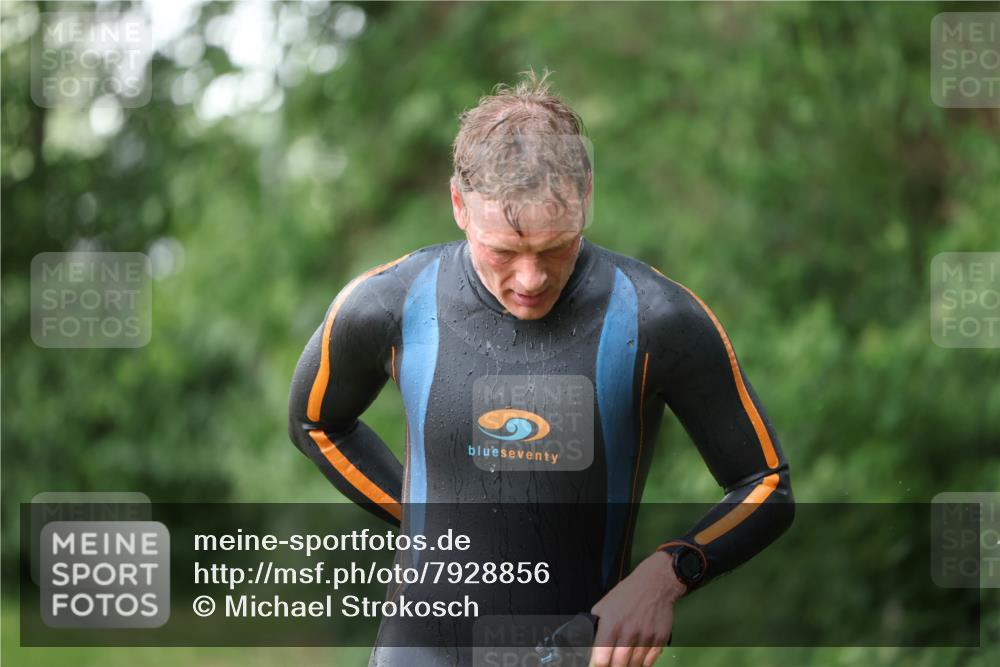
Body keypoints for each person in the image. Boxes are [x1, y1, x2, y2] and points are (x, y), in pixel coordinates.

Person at [288, 70, 794, 667]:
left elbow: (766, 485)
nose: (529, 280)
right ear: (458, 204)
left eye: (554, 248)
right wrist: (427, 521)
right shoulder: (389, 304)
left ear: (586, 196)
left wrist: (666, 574)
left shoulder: (656, 317)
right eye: (503, 251)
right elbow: (316, 423)